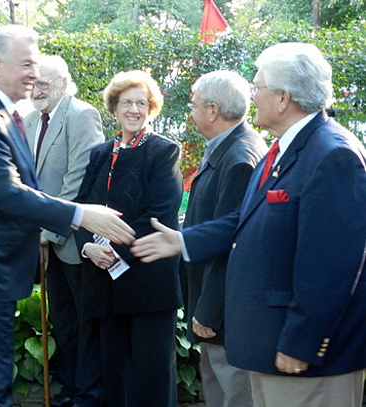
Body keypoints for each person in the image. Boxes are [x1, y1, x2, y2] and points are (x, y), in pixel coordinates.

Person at [132, 42, 366, 407]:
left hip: (305, 361)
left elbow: (332, 265)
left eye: (257, 87)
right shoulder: (283, 149)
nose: (251, 95)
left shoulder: (333, 154)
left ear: (283, 98)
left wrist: (302, 341)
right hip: (270, 348)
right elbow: (244, 221)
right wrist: (184, 241)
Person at [0, 25, 135, 407]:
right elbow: (6, 192)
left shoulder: (2, 112)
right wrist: (80, 214)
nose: (33, 73)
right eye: (26, 63)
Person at [75, 70, 183, 407]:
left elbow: (159, 215)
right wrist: (87, 248)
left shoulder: (164, 151)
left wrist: (109, 248)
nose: (134, 109)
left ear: (151, 109)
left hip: (148, 281)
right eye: (127, 102)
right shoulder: (100, 154)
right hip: (106, 284)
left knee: (151, 379)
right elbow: (80, 210)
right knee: (113, 377)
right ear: (114, 108)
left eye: (141, 103)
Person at [24, 55, 104, 407]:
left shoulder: (81, 115)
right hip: (43, 240)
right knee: (62, 320)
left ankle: (88, 395)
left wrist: (49, 228)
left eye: (45, 83)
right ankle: (70, 389)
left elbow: (79, 178)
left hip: (74, 240)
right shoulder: (28, 120)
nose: (37, 89)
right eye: (34, 83)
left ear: (62, 83)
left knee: (85, 324)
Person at [184, 70, 266, 407]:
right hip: (215, 310)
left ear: (213, 110)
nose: (191, 113)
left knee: (235, 397)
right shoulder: (224, 148)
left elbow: (231, 243)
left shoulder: (239, 159)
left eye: (194, 105)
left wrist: (208, 310)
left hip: (224, 316)